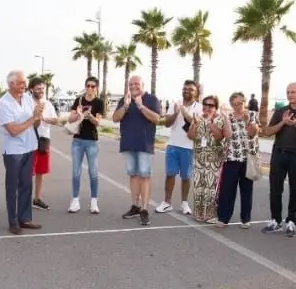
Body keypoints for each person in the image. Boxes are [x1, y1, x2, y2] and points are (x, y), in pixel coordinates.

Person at [261, 82, 296, 237]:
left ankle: (291, 221)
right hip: (279, 154)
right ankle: (276, 220)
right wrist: (283, 122)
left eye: (293, 92)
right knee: (275, 189)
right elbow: (267, 131)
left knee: (295, 189)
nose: (290, 94)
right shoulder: (280, 111)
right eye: (288, 92)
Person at [0, 70, 43, 234]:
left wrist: (37, 117)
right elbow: (13, 130)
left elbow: (35, 125)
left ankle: (25, 218)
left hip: (30, 146)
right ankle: (13, 221)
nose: (24, 85)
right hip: (13, 150)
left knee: (26, 185)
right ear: (11, 84)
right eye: (21, 82)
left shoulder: (28, 99)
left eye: (25, 82)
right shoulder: (4, 103)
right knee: (13, 187)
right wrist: (32, 119)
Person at [112, 75, 162, 225]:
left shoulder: (152, 99)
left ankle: (144, 209)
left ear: (143, 85)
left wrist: (140, 106)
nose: (133, 86)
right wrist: (126, 106)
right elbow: (115, 118)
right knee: (133, 175)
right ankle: (135, 205)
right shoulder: (124, 99)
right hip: (128, 143)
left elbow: (156, 118)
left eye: (137, 84)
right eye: (131, 84)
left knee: (144, 175)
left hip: (144, 144)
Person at [157, 80, 201, 215]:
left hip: (188, 147)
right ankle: (167, 202)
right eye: (185, 88)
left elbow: (194, 122)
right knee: (170, 174)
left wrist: (182, 110)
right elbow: (167, 124)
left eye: (191, 89)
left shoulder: (198, 107)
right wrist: (176, 113)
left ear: (196, 92)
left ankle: (184, 203)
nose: (187, 90)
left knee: (186, 177)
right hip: (173, 145)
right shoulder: (175, 104)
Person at [216, 92, 259, 228]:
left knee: (246, 190)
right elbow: (224, 136)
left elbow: (253, 133)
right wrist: (224, 119)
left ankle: (245, 219)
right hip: (231, 157)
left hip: (247, 158)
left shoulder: (252, 115)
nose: (237, 106)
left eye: (240, 103)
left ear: (244, 102)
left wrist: (247, 121)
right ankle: (223, 218)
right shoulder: (228, 117)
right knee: (227, 190)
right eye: (234, 104)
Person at [187, 95, 227, 224]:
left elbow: (219, 137)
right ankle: (199, 213)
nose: (207, 107)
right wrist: (195, 124)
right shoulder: (198, 118)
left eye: (211, 105)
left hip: (214, 160)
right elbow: (191, 136)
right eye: (205, 104)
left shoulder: (221, 120)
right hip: (199, 158)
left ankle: (211, 214)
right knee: (199, 186)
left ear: (216, 107)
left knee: (211, 188)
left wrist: (210, 122)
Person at [67, 77, 104, 214]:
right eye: (88, 86)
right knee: (76, 172)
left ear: (96, 88)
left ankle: (94, 201)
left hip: (92, 141)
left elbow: (98, 122)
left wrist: (89, 116)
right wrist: (78, 114)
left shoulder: (99, 103)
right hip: (77, 140)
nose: (90, 88)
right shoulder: (79, 100)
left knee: (93, 173)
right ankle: (75, 200)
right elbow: (70, 119)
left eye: (93, 86)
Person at [29, 77, 62, 209]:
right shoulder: (26, 102)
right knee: (27, 172)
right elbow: (30, 122)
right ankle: (24, 199)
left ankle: (37, 198)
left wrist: (45, 118)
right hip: (29, 141)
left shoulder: (47, 103)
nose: (41, 91)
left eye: (42, 88)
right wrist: (36, 116)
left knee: (40, 171)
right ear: (31, 89)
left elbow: (56, 120)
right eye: (38, 88)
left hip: (43, 140)